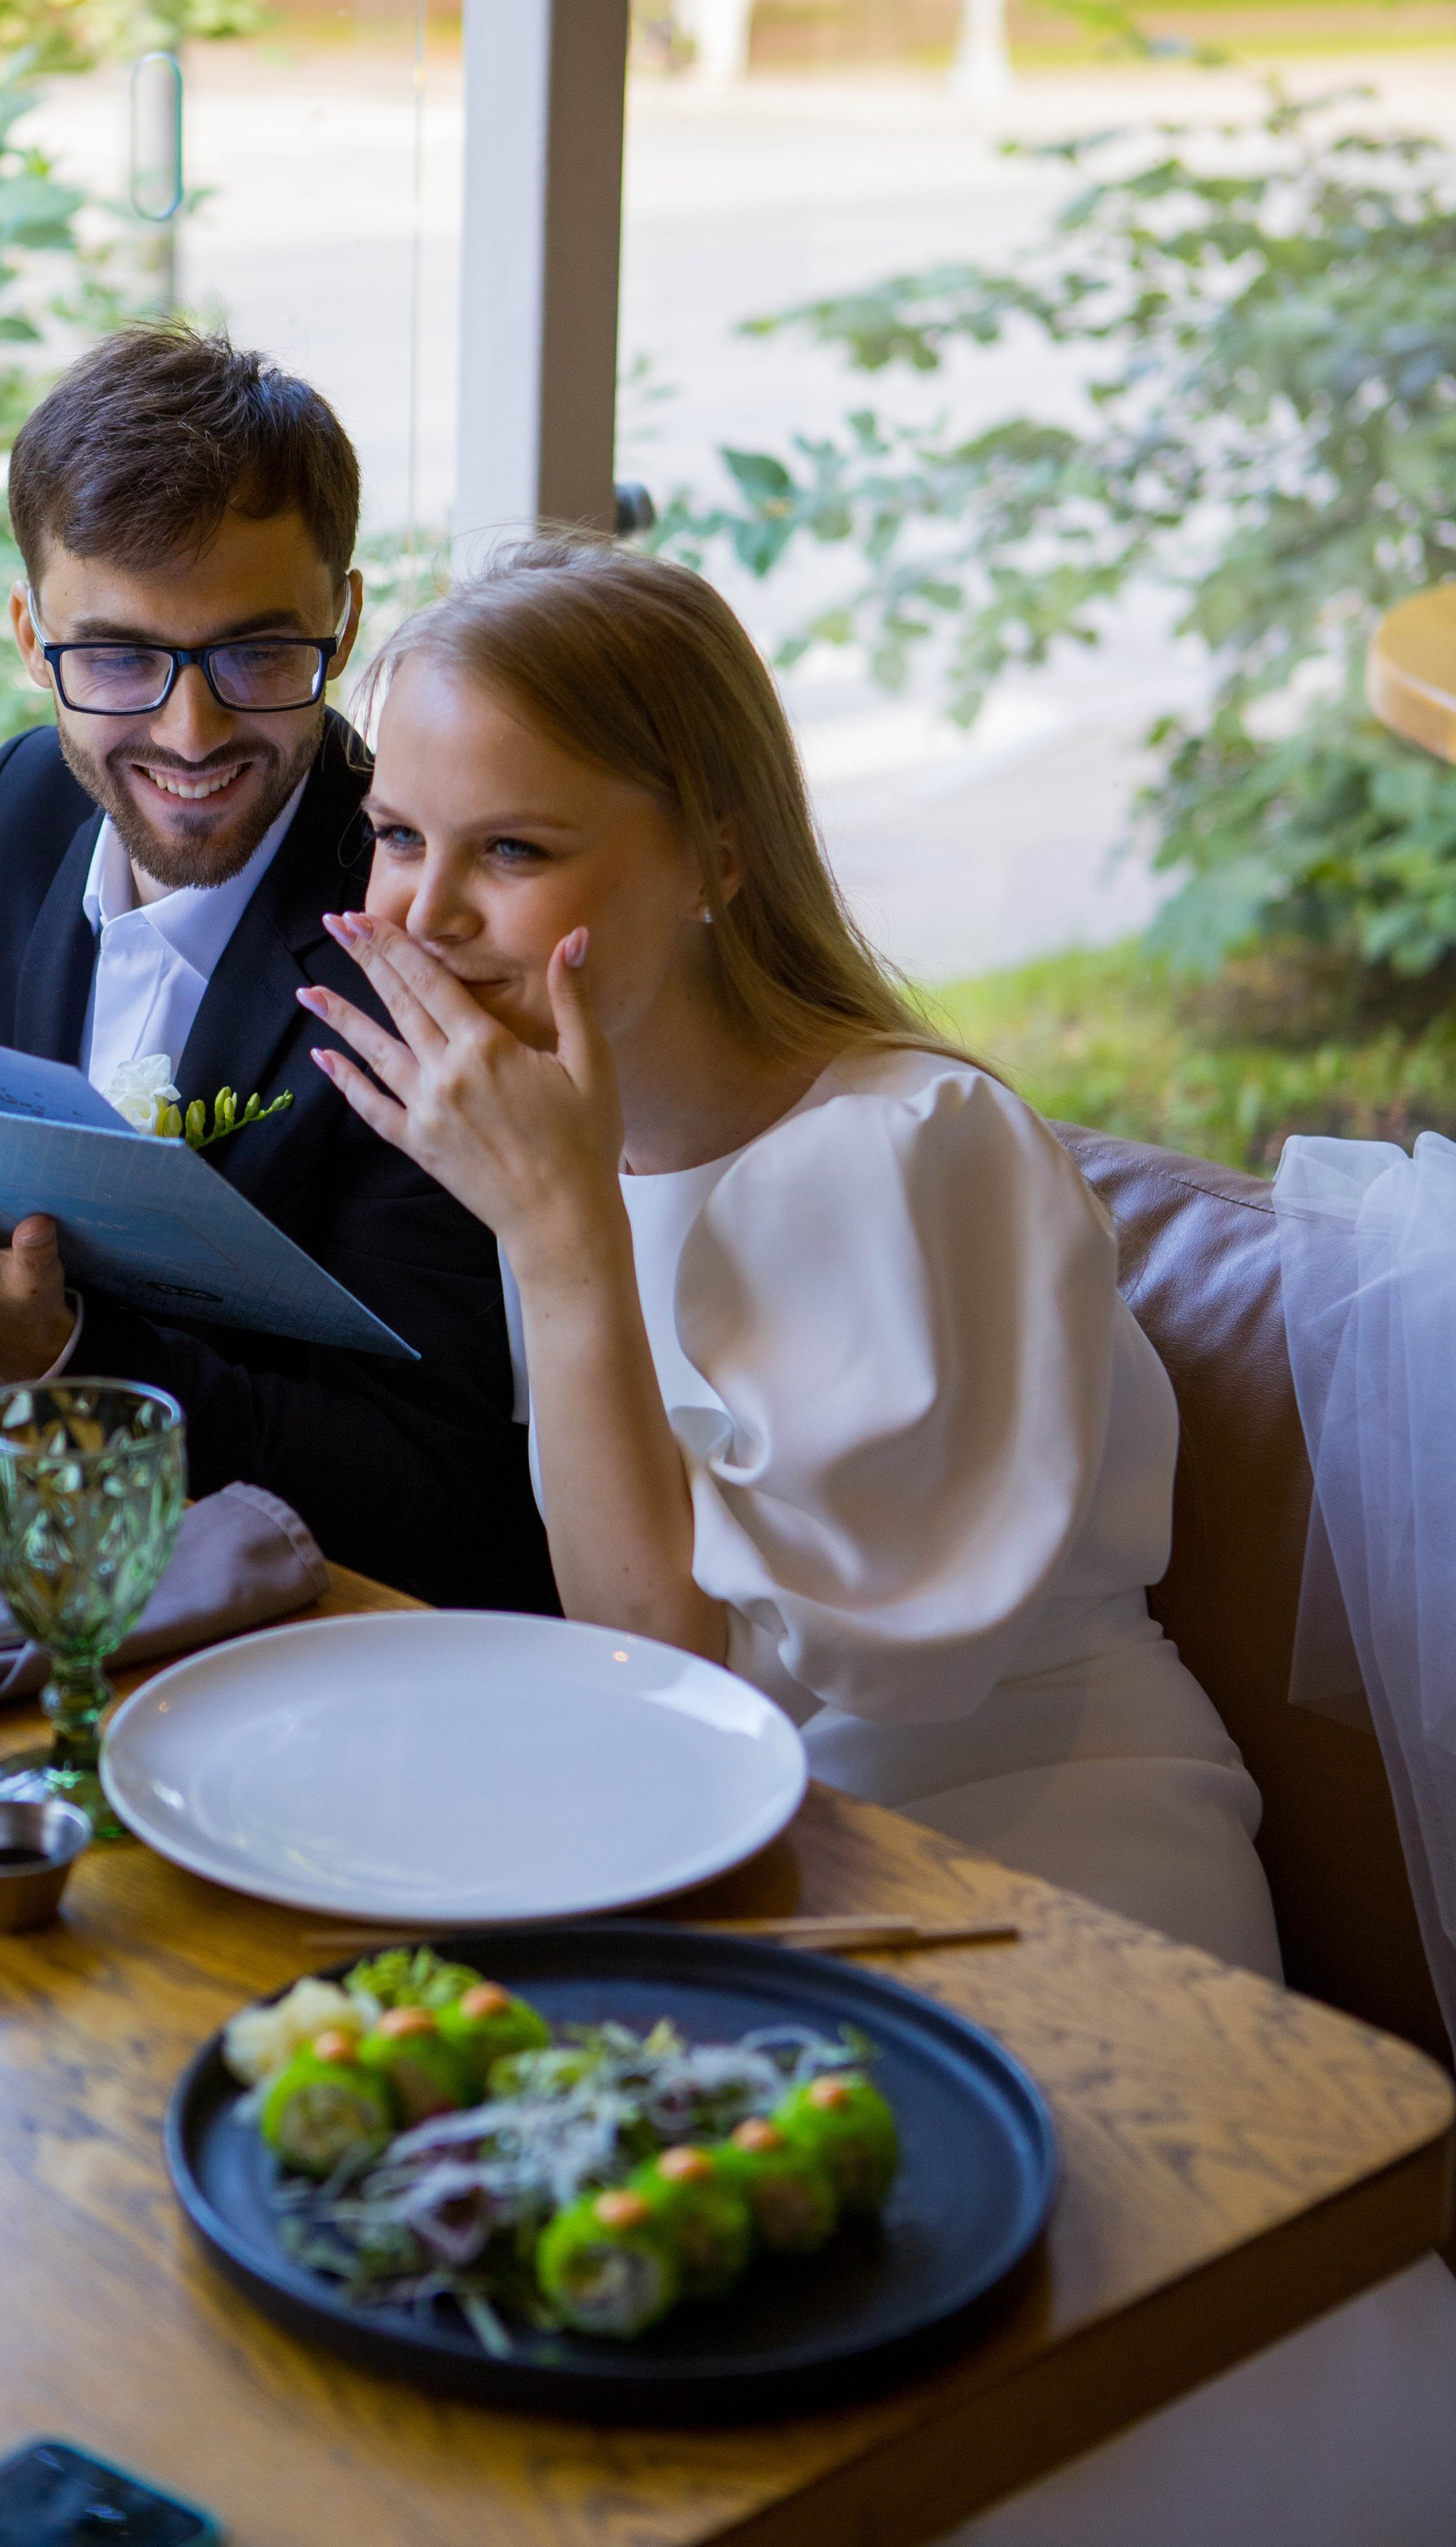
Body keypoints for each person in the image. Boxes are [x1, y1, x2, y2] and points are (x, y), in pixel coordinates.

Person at [297, 535, 1456, 2547]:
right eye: (398, 833)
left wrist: (559, 1248)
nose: (422, 914)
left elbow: (679, 1666)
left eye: (512, 849)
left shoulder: (918, 1155)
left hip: (1032, 1861)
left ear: (717, 855)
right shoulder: (550, 1135)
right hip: (733, 1863)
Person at [0, 326, 554, 1616]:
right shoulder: (28, 810)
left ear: (342, 619)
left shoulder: (413, 924)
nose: (190, 730)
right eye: (116, 657)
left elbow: (440, 1494)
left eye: (256, 653)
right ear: (28, 632)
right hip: (28, 1551)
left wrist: (61, 1347)